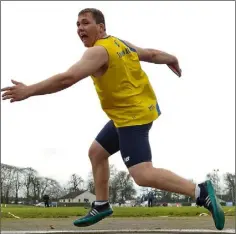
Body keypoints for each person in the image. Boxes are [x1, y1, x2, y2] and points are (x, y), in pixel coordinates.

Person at [1, 8, 225, 230]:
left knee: (142, 174)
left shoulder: (97, 52)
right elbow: (150, 54)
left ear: (101, 27)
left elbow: (67, 79)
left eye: (85, 23)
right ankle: (101, 204)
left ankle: (200, 192)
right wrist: (172, 58)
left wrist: (29, 90)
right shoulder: (120, 44)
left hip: (131, 117)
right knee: (97, 153)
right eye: (77, 24)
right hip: (133, 112)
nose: (80, 29)